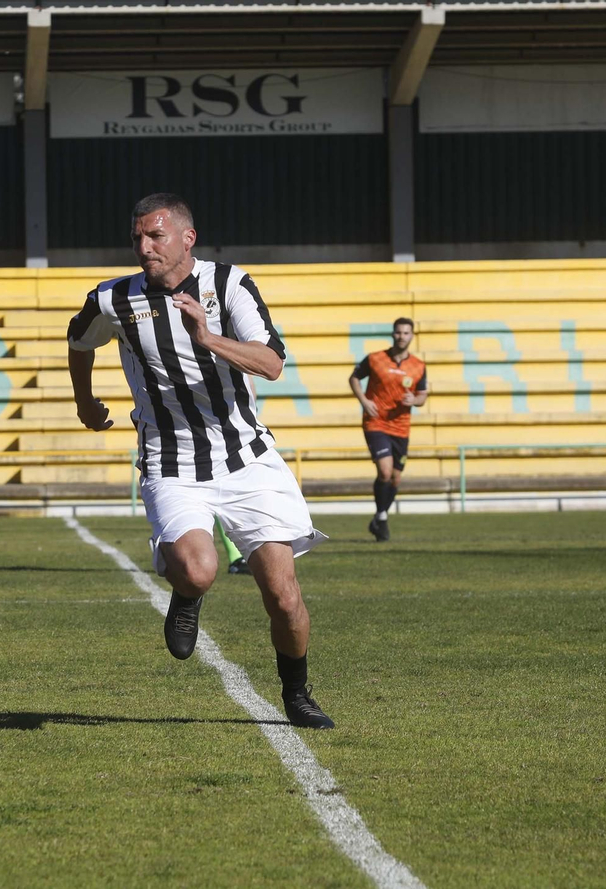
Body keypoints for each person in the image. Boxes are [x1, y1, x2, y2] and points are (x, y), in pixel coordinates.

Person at [66, 193, 334, 729]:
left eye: (155, 236)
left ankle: (297, 693)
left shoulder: (230, 284)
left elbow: (271, 363)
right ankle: (187, 592)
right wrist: (84, 402)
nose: (144, 247)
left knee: (283, 598)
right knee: (198, 569)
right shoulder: (113, 298)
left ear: (188, 238)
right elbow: (78, 341)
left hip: (246, 458)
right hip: (171, 460)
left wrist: (208, 338)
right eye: (137, 237)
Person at [349, 317, 429, 542]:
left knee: (395, 478)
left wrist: (414, 400)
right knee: (385, 471)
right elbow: (354, 378)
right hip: (376, 422)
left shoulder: (418, 366)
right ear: (393, 334)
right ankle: (382, 517)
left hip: (401, 427)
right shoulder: (376, 359)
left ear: (412, 336)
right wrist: (364, 400)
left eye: (406, 333)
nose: (401, 336)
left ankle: (379, 517)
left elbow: (423, 395)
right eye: (398, 332)